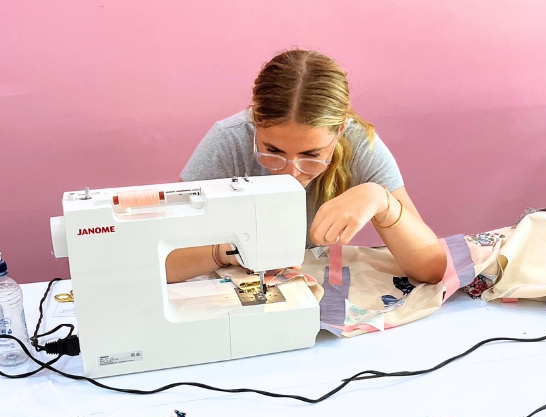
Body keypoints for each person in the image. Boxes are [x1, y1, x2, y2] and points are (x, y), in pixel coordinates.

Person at [167, 49, 446, 284]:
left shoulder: (358, 144)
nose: (291, 173)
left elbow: (431, 267)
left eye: (311, 155)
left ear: (340, 129)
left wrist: (381, 200)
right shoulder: (229, 140)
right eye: (272, 151)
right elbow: (161, 260)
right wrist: (228, 250)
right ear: (255, 121)